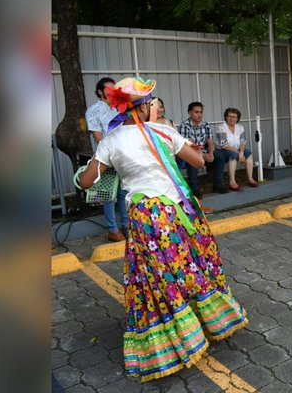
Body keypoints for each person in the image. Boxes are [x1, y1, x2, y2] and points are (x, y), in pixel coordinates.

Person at [77, 77, 248, 382]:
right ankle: (209, 319)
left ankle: (169, 336)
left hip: (145, 216)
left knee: (155, 276)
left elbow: (87, 181)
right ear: (142, 107)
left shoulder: (111, 140)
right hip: (178, 211)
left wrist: (91, 169)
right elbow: (197, 162)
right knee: (192, 265)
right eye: (150, 103)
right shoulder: (164, 131)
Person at [85, 77, 128, 242]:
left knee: (124, 192)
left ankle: (126, 225)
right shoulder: (93, 111)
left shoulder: (120, 108)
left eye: (114, 89)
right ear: (100, 92)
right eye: (108, 90)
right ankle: (112, 229)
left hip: (124, 155)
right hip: (106, 156)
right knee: (109, 194)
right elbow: (98, 137)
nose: (112, 93)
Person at [177, 102, 228, 195]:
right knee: (193, 160)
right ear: (189, 113)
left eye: (201, 112)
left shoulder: (205, 125)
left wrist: (211, 153)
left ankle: (218, 185)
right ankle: (194, 190)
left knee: (220, 156)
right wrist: (203, 155)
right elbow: (188, 145)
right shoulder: (184, 126)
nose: (199, 115)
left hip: (204, 151)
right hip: (189, 152)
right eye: (196, 112)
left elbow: (211, 142)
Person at [214, 107, 258, 191]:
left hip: (237, 149)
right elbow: (224, 145)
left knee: (248, 153)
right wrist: (238, 153)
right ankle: (232, 182)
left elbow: (243, 142)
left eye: (234, 117)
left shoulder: (240, 127)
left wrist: (241, 152)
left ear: (237, 118)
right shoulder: (221, 127)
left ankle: (250, 178)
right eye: (230, 116)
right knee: (233, 155)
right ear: (226, 117)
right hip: (223, 150)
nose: (232, 118)